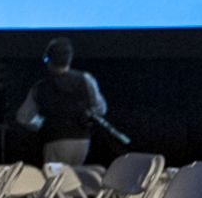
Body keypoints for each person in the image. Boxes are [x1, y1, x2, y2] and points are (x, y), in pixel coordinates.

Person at [14, 37, 123, 169]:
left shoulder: (40, 87)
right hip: (83, 141)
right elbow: (101, 108)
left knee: (55, 178)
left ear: (48, 60)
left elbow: (23, 117)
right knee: (76, 176)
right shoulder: (86, 79)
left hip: (55, 139)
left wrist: (41, 124)